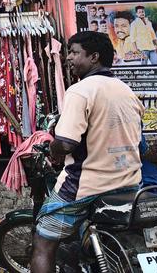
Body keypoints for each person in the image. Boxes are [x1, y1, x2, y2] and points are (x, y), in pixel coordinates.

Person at [30, 32, 144, 273]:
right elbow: (140, 143)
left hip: (87, 185)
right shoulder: (126, 91)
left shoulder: (80, 91)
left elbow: (67, 143)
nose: (68, 58)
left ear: (94, 57)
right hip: (129, 183)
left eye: (74, 52)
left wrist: (52, 147)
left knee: (43, 241)